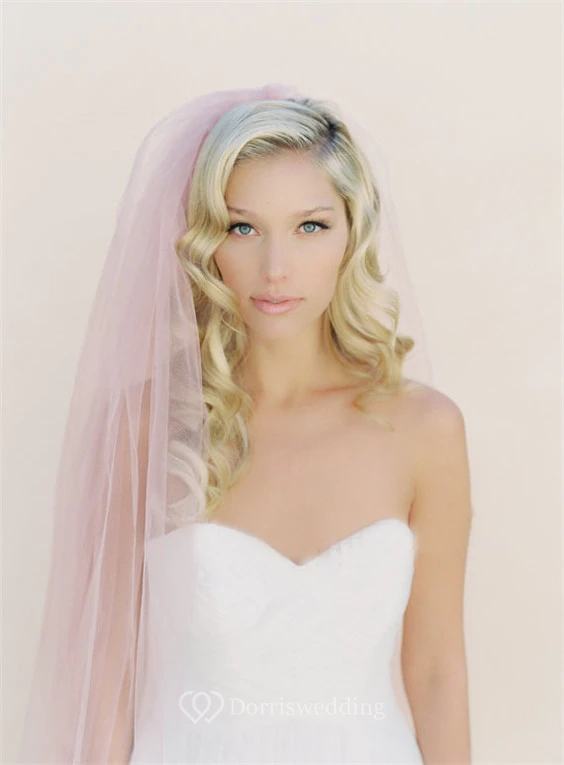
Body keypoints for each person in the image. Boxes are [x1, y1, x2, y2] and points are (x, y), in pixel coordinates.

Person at [18, 84, 473, 764]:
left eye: (310, 226)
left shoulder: (425, 430)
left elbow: (436, 672)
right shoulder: (147, 426)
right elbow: (108, 676)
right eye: (242, 228)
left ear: (352, 234)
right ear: (206, 242)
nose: (276, 268)